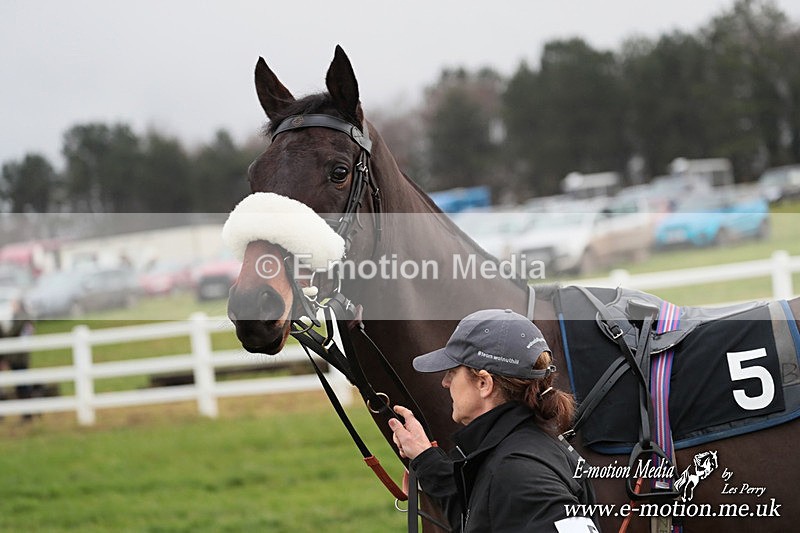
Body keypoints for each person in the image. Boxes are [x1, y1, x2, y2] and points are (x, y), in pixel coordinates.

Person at [389, 308, 598, 532]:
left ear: (483, 383)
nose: (445, 383)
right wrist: (426, 460)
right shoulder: (523, 448)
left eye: (452, 371)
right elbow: (487, 515)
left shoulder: (517, 473)